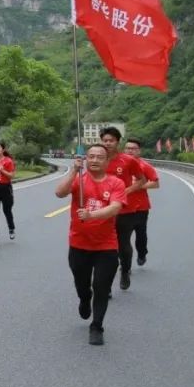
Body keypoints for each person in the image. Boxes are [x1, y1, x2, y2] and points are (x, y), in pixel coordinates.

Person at [53, 144, 126, 346]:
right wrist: (73, 171)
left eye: (99, 157)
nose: (94, 160)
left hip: (106, 245)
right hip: (79, 243)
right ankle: (85, 299)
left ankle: (97, 326)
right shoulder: (79, 180)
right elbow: (59, 193)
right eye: (91, 156)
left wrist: (91, 215)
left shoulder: (116, 183)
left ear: (107, 161)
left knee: (101, 287)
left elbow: (115, 208)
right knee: (82, 284)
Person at [100, 127, 147, 291]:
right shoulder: (97, 159)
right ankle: (105, 285)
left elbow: (141, 180)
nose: (108, 143)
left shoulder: (128, 161)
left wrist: (126, 191)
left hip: (124, 210)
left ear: (118, 142)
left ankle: (125, 270)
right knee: (103, 247)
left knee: (123, 244)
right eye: (105, 140)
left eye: (111, 140)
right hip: (101, 210)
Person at [123, 138, 159, 269]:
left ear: (139, 151)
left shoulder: (145, 166)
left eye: (133, 149)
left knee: (141, 237)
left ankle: (142, 254)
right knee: (123, 238)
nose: (130, 151)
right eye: (128, 148)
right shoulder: (118, 166)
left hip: (140, 208)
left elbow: (155, 183)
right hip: (122, 207)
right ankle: (125, 264)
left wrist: (138, 186)